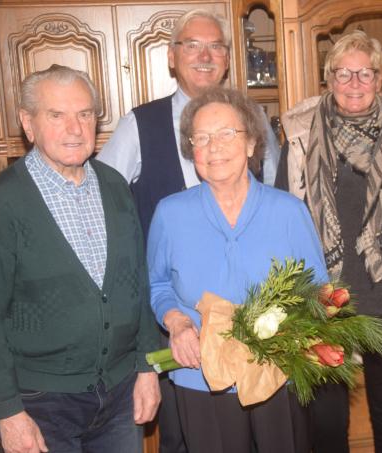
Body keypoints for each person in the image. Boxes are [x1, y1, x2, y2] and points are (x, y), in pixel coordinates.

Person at [96, 11, 280, 452]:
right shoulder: (137, 125)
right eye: (192, 45)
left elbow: (275, 195)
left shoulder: (254, 119)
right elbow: (100, 204)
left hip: (257, 322)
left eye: (216, 46)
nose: (205, 55)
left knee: (261, 432)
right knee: (185, 438)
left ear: (228, 59)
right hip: (175, 322)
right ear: (172, 57)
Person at [0, 65, 161, 453]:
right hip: (41, 403)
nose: (75, 128)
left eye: (85, 114)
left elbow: (139, 284)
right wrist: (8, 413)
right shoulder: (1, 203)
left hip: (121, 395)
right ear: (28, 123)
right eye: (57, 115)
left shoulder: (115, 186)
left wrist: (147, 367)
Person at [275, 30, 382, 453]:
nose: (354, 83)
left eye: (365, 73)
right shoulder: (299, 139)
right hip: (323, 302)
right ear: (328, 79)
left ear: (381, 79)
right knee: (327, 421)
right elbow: (284, 224)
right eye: (344, 73)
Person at [147, 87, 326, 453]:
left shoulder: (289, 212)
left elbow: (319, 292)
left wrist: (290, 331)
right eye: (202, 138)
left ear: (250, 144)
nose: (214, 147)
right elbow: (158, 283)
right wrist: (177, 324)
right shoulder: (170, 213)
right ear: (191, 149)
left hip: (278, 374)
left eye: (227, 134)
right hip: (200, 377)